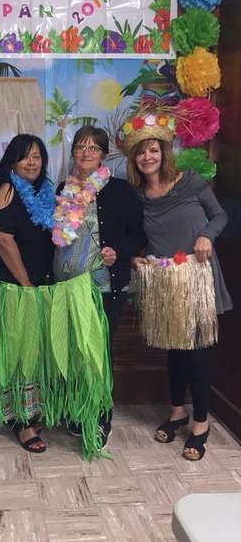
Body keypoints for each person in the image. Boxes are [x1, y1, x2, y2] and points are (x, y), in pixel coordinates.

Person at [121, 108, 232, 461]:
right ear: (134, 159)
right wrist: (133, 257)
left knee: (196, 352)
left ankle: (200, 423)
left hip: (197, 278)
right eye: (141, 152)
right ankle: (177, 412)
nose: (147, 157)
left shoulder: (189, 181)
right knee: (174, 350)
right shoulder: (137, 197)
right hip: (166, 283)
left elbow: (220, 215)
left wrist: (206, 236)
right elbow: (133, 237)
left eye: (153, 150)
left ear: (164, 152)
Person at [53, 125, 146, 447]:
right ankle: (78, 411)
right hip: (65, 286)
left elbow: (139, 232)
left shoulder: (119, 190)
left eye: (94, 148)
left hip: (102, 288)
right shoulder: (63, 189)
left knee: (98, 354)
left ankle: (101, 417)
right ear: (73, 152)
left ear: (104, 155)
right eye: (81, 147)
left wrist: (119, 251)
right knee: (73, 352)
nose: (86, 153)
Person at [0, 134, 55, 452]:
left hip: (39, 286)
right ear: (12, 161)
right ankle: (21, 422)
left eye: (37, 156)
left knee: (34, 353)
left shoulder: (45, 191)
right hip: (16, 288)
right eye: (25, 156)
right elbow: (2, 239)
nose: (32, 162)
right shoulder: (7, 189)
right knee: (19, 355)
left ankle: (32, 411)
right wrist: (26, 284)